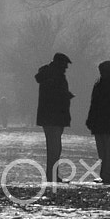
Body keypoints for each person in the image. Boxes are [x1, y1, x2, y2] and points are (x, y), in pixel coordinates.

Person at [34, 52, 74, 182]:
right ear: (60, 63)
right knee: (55, 147)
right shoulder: (56, 76)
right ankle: (52, 175)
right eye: (65, 65)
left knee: (52, 146)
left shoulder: (46, 74)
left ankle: (51, 174)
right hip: (56, 116)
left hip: (47, 116)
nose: (66, 68)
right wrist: (66, 95)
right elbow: (56, 95)